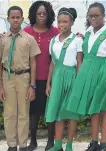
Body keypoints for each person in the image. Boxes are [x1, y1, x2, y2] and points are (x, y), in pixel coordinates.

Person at [66, 2, 106, 151]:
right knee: (93, 108)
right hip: (88, 73)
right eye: (90, 16)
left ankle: (103, 144)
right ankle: (94, 142)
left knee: (104, 108)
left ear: (103, 16)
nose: (93, 19)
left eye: (96, 16)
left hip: (104, 72)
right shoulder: (87, 33)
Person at [0, 6, 41, 151]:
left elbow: (33, 63)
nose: (15, 20)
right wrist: (0, 86)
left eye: (18, 17)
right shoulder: (2, 40)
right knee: (9, 113)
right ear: (8, 19)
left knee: (23, 113)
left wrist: (32, 86)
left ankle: (22, 145)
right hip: (8, 78)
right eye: (12, 17)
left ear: (22, 19)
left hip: (24, 78)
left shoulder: (29, 39)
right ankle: (12, 145)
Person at [23, 1, 60, 151]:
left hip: (51, 78)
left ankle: (51, 141)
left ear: (49, 14)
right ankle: (33, 141)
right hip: (30, 79)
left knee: (50, 111)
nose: (42, 16)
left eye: (44, 13)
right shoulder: (26, 31)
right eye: (39, 13)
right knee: (33, 111)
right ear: (33, 14)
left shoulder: (55, 32)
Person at [45, 7, 82, 151]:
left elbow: (79, 62)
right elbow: (53, 63)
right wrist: (48, 83)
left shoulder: (77, 40)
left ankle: (70, 145)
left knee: (71, 112)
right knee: (58, 111)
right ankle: (58, 144)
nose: (62, 25)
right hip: (57, 78)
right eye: (59, 22)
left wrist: (79, 82)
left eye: (65, 22)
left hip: (71, 77)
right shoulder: (53, 41)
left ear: (72, 22)